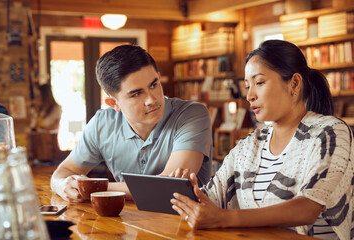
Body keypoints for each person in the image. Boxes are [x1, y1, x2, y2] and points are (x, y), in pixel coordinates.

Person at [171, 40, 354, 239]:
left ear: (294, 83)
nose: (249, 95)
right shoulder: (249, 145)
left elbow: (307, 208)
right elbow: (212, 197)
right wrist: (186, 193)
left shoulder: (330, 132)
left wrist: (224, 218)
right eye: (247, 86)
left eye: (259, 83)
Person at [50, 44, 213, 202]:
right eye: (136, 94)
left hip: (189, 225)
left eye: (154, 85)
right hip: (125, 225)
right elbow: (62, 173)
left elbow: (169, 187)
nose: (151, 99)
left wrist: (91, 187)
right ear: (114, 104)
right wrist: (62, 185)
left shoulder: (192, 114)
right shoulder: (102, 124)